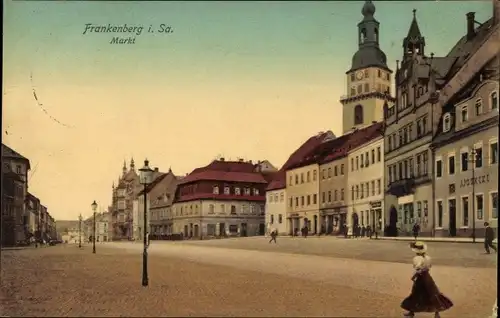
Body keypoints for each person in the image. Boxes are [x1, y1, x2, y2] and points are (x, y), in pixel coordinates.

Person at [401, 241, 453, 318]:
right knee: (433, 293)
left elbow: (418, 268)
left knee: (416, 294)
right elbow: (429, 267)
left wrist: (415, 275)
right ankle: (437, 313)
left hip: (421, 278)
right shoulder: (428, 258)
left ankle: (411, 312)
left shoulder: (417, 258)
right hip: (427, 277)